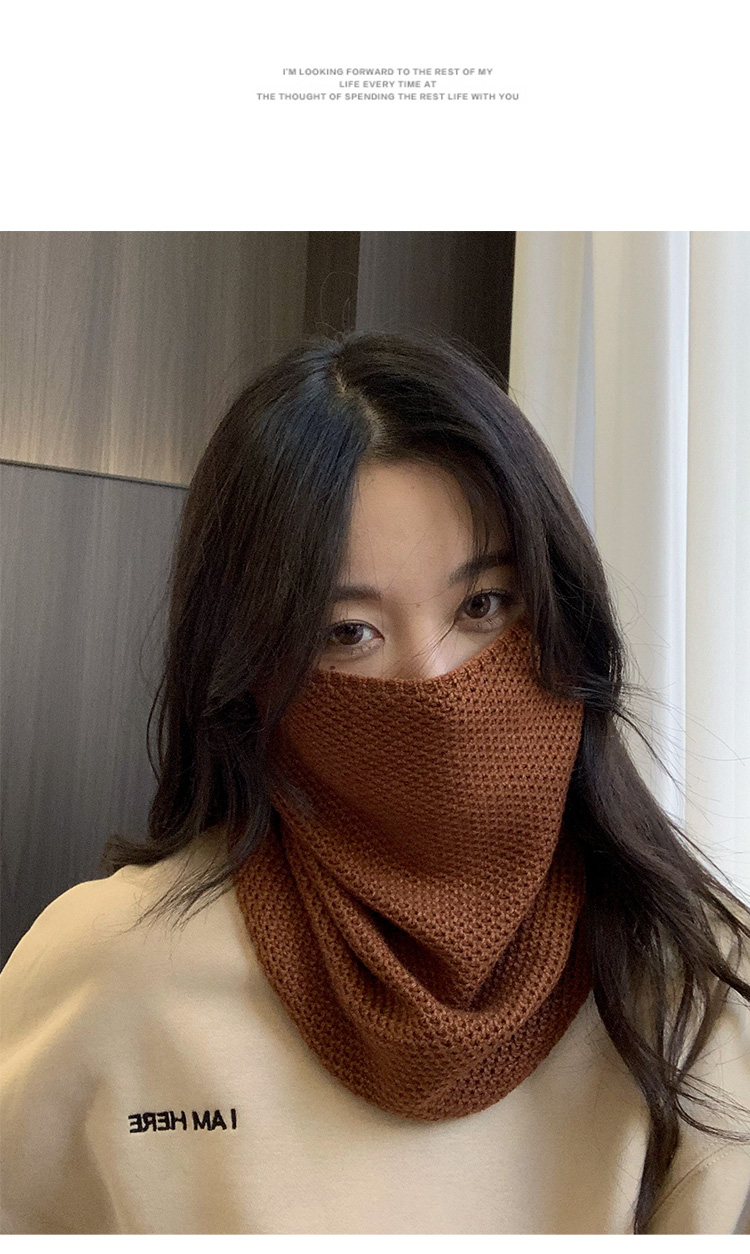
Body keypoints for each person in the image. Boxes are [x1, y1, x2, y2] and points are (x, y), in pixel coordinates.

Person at [1, 329, 749, 1235]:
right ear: (251, 671)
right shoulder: (108, 974)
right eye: (347, 632)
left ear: (563, 615)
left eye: (484, 605)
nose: (436, 686)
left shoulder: (695, 984)